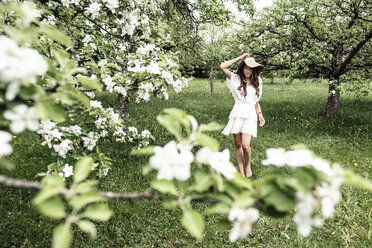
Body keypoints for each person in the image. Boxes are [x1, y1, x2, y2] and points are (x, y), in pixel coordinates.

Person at [220, 53, 265, 178]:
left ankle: (247, 165)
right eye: (245, 68)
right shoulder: (236, 79)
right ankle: (241, 172)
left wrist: (260, 115)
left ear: (254, 70)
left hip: (250, 115)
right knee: (238, 145)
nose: (247, 70)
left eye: (250, 68)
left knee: (246, 145)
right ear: (242, 68)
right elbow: (223, 66)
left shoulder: (258, 82)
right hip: (237, 113)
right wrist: (240, 57)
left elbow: (255, 102)